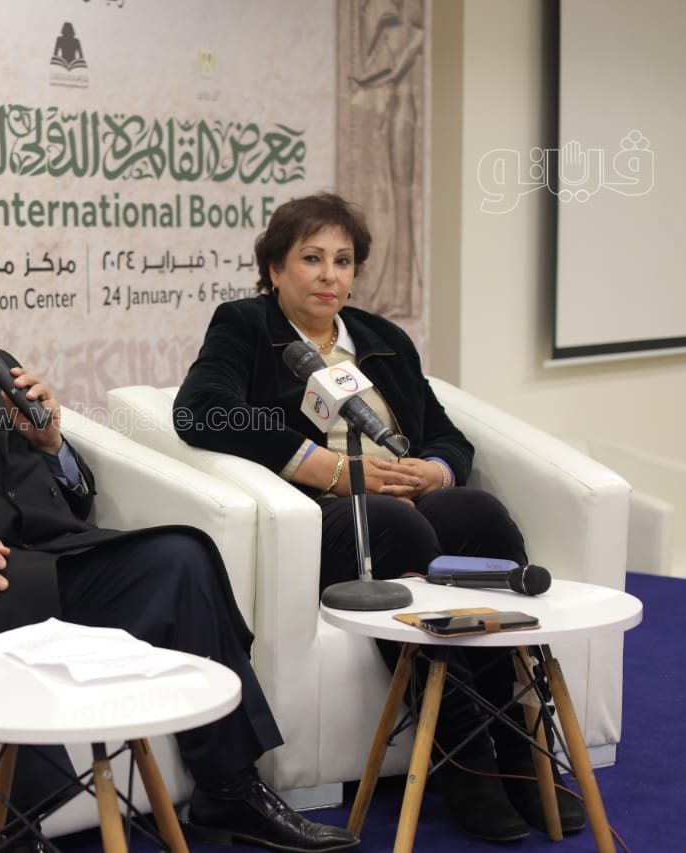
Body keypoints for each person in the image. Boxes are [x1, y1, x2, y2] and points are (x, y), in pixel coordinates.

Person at [0, 210, 358, 853]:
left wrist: (53, 446)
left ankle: (230, 788)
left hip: (60, 553)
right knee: (3, 597)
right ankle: (18, 829)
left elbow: (77, 495)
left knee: (181, 554)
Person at [173, 193, 587, 843]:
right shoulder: (246, 326)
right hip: (328, 513)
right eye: (311, 259)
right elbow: (201, 409)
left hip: (407, 495)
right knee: (400, 526)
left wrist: (436, 471)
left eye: (342, 261)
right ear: (275, 268)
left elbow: (448, 435)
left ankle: (518, 746)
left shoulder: (382, 340)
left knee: (478, 512)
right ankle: (464, 759)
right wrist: (326, 468)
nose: (329, 275)